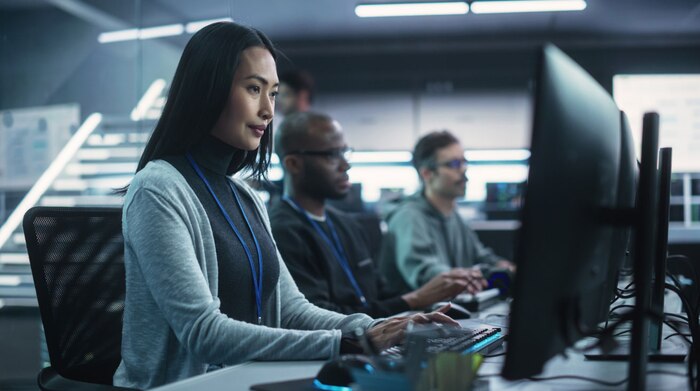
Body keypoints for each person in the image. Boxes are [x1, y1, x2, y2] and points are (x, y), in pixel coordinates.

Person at [114, 22, 455, 389]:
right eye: (253, 88)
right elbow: (203, 332)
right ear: (207, 89)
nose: (268, 111)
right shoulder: (157, 189)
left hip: (247, 378)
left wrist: (375, 328)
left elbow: (292, 310)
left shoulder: (245, 197)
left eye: (273, 94)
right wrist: (354, 342)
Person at [269, 112, 476, 318]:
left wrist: (428, 305)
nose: (345, 165)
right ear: (294, 164)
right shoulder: (281, 231)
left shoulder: (346, 224)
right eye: (332, 155)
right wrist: (414, 299)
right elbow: (318, 318)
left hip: (376, 339)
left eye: (345, 152)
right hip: (342, 347)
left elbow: (380, 295)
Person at [380, 130, 515, 296]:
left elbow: (481, 257)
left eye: (464, 162)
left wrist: (504, 267)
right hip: (416, 316)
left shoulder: (454, 216)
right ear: (427, 174)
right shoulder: (408, 217)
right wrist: (471, 278)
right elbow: (426, 274)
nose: (464, 169)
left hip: (451, 310)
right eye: (454, 164)